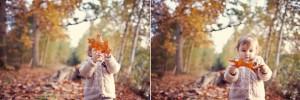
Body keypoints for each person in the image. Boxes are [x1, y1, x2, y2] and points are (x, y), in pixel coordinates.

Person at [224, 34, 272, 100]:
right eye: (243, 50)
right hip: (238, 97)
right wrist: (232, 72)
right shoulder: (235, 62)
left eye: (251, 51)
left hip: (256, 97)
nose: (247, 53)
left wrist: (264, 70)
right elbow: (227, 78)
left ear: (256, 51)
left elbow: (266, 77)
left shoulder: (259, 61)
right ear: (238, 50)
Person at [79, 36, 120, 100]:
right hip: (91, 96)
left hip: (107, 95)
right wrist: (93, 61)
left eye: (101, 49)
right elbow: (84, 73)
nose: (99, 52)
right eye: (95, 50)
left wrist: (109, 58)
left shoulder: (108, 60)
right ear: (90, 52)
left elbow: (115, 70)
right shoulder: (88, 61)